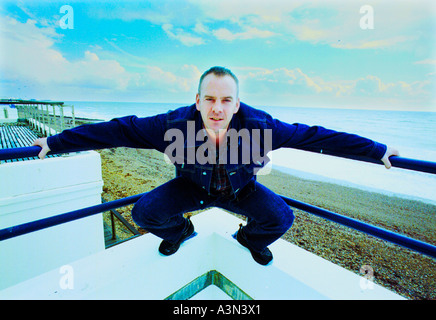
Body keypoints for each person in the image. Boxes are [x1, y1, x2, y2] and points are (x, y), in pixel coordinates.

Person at [33, 66, 399, 265]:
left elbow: (317, 137)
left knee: (281, 217)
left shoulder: (262, 127)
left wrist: (377, 150)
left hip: (241, 190)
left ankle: (246, 239)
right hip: (191, 188)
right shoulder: (172, 125)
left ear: (237, 104)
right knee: (145, 213)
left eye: (226, 100)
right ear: (197, 100)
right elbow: (117, 130)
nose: (217, 108)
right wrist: (54, 142)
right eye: (209, 98)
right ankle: (182, 233)